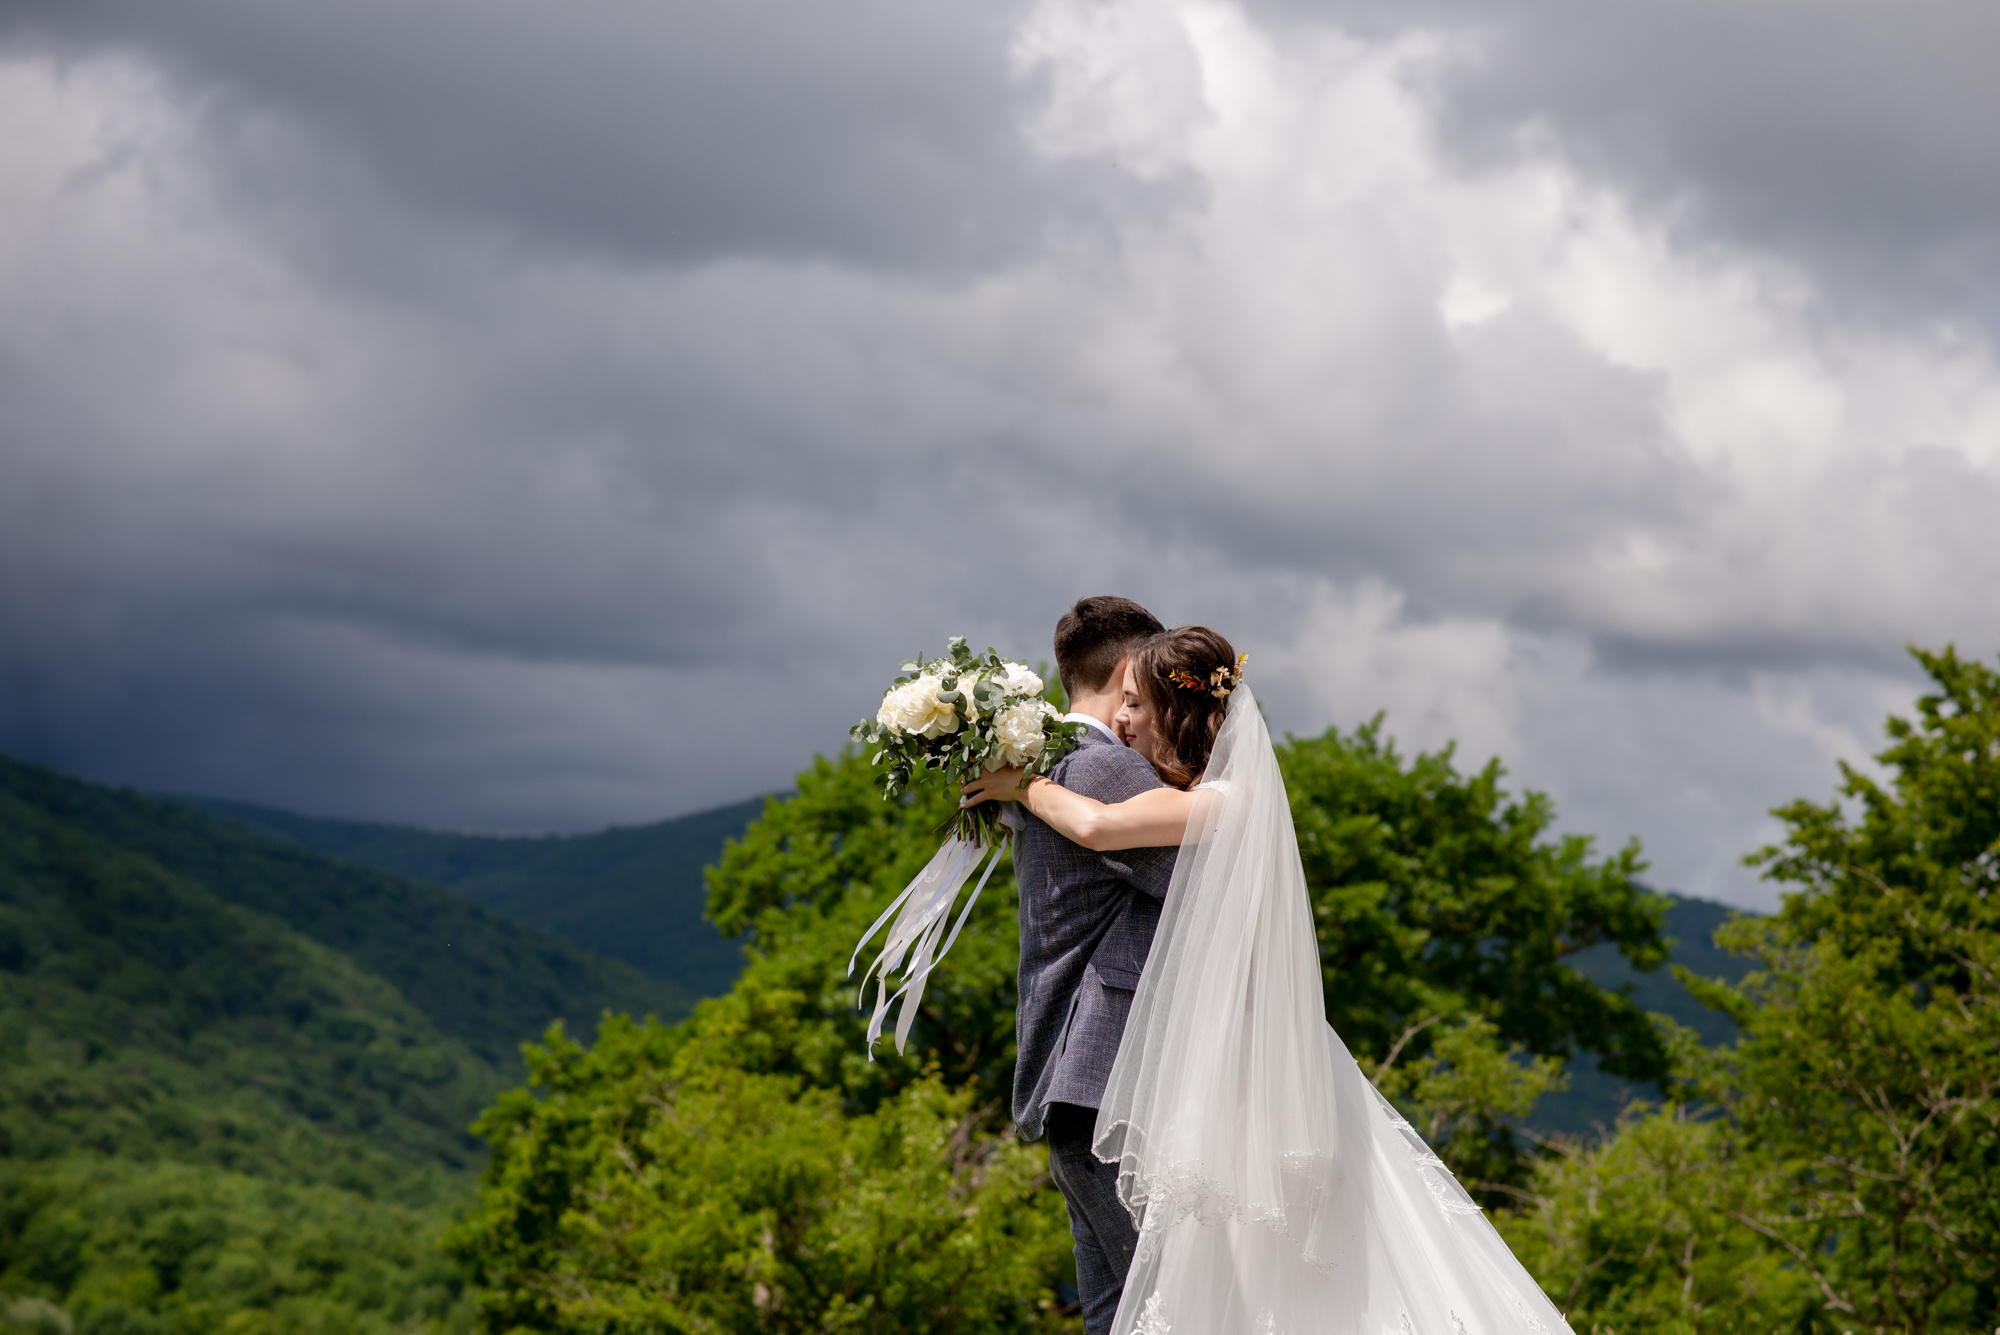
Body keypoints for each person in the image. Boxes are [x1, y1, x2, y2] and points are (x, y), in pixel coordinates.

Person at [965, 626, 1576, 1335]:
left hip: (1227, 1067)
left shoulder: (1226, 802)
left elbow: (1100, 829)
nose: (1122, 720)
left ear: (1173, 710)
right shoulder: (1209, 796)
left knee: (1194, 1292)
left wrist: (1024, 783)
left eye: (1136, 703)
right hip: (1220, 1059)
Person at [1010, 595, 1179, 1335]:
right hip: (1108, 1080)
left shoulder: (1046, 762)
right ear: (1124, 671)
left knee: (1116, 1310)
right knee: (1173, 1298)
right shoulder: (1104, 767)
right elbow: (1204, 896)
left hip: (1072, 1080)